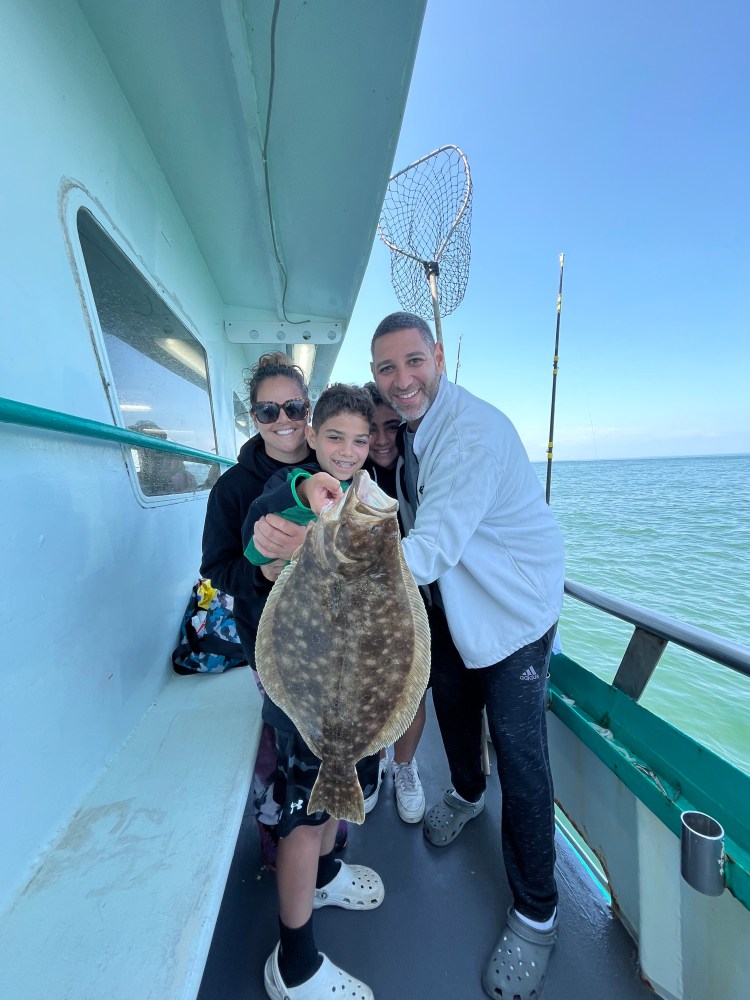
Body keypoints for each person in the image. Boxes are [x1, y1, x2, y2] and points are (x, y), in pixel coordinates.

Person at [369, 311, 565, 1000]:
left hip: (514, 612)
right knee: (452, 709)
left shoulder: (472, 432)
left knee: (520, 755)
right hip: (455, 604)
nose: (402, 380)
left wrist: (333, 576)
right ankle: (468, 794)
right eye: (387, 368)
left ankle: (537, 914)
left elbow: (429, 546)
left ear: (440, 356)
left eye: (413, 362)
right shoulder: (414, 433)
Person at [241, 382, 385, 1000]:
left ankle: (326, 874)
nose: (349, 452)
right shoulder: (297, 491)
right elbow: (256, 539)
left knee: (336, 791)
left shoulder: (367, 498)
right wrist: (283, 537)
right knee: (303, 815)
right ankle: (293, 962)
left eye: (361, 440)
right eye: (334, 438)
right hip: (303, 689)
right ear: (310, 438)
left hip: (350, 684)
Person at [362, 382, 427, 824]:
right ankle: (374, 760)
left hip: (415, 595)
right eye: (371, 430)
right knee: (369, 684)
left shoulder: (420, 464)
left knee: (411, 684)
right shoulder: (347, 476)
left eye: (392, 427)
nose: (383, 440)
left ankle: (404, 766)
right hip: (362, 602)